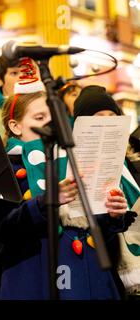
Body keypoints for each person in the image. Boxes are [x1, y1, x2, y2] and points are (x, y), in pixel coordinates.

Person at [0, 84, 133, 299]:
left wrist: (112, 215)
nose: (50, 123)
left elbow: (103, 236)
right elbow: (3, 228)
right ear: (16, 126)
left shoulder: (77, 160)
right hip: (36, 273)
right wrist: (45, 202)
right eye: (39, 117)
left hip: (90, 275)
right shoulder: (4, 166)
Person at [73, 85, 140, 298]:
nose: (107, 122)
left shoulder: (133, 161)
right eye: (99, 116)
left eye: (112, 116)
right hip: (107, 264)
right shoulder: (76, 166)